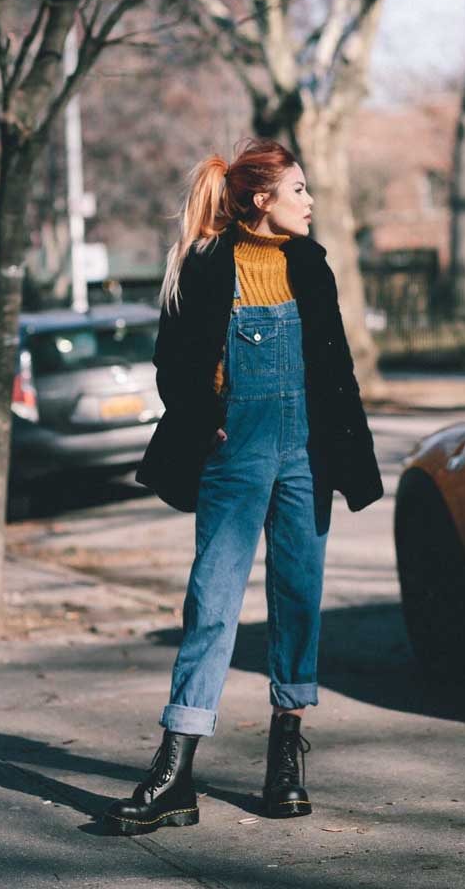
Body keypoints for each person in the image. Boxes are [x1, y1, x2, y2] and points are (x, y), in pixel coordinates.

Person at [104, 138, 383, 836]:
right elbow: (173, 365)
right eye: (298, 191)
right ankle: (176, 769)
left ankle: (284, 755)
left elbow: (337, 367)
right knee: (212, 603)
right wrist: (208, 421)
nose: (309, 202)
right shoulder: (204, 264)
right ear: (262, 200)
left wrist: (349, 456)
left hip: (306, 455)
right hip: (237, 452)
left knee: (299, 599)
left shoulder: (311, 265)